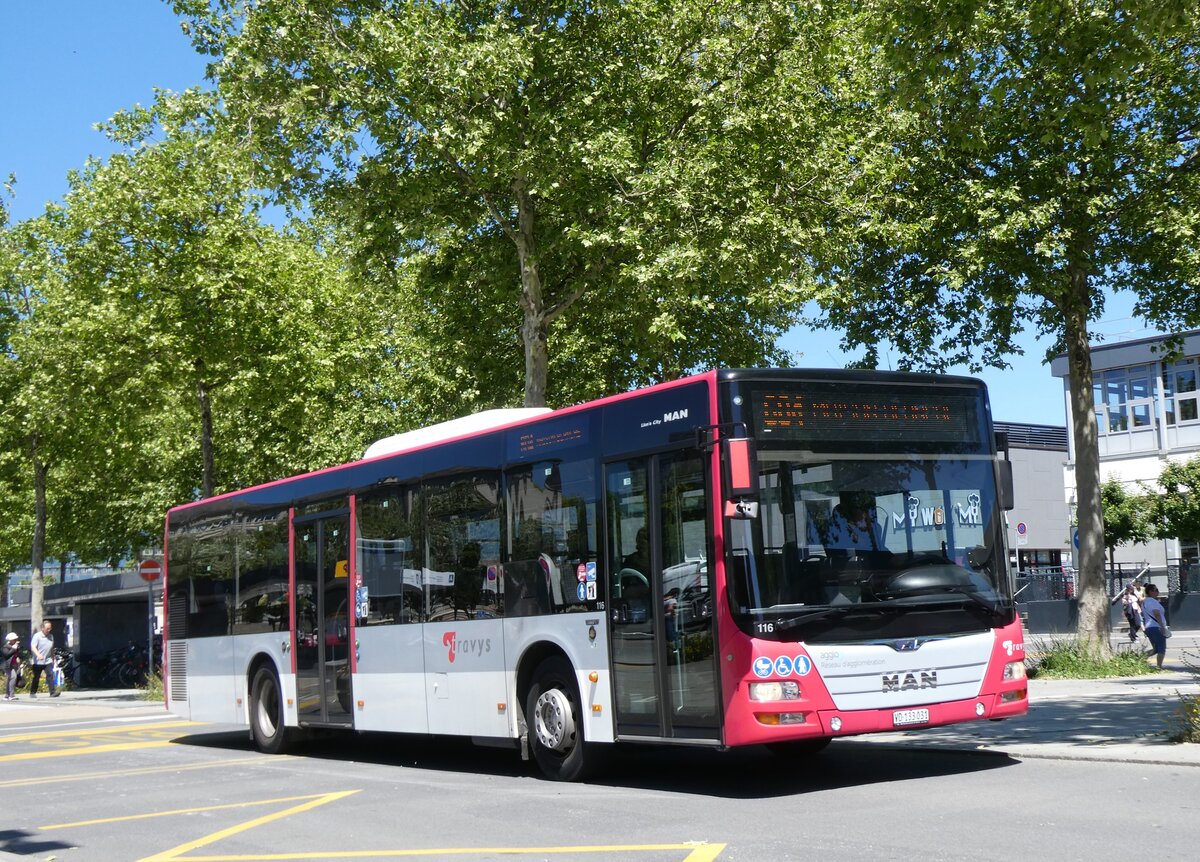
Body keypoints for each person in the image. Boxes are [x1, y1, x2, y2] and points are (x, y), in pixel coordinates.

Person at [28, 620, 60, 698]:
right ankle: (33, 692)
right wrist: (38, 655)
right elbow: (33, 647)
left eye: (50, 628)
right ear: (42, 628)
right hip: (38, 661)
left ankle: (52, 692)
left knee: (50, 675)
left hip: (47, 660)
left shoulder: (51, 636)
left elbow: (51, 648)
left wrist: (53, 657)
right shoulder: (37, 636)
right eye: (47, 628)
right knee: (36, 677)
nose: (49, 630)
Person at [1141, 583, 1168, 669]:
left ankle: (1140, 658)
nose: (1158, 592)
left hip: (1149, 627)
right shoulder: (1153, 602)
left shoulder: (1144, 602)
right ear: (1150, 591)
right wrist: (1162, 627)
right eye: (1156, 590)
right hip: (1156, 627)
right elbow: (1157, 614)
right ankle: (1159, 667)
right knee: (1161, 648)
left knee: (1155, 649)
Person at [3, 632, 20, 701]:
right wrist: (14, 648)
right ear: (10, 640)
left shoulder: (16, 646)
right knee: (13, 677)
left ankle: (7, 695)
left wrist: (18, 659)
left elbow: (17, 655)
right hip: (7, 665)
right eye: (14, 639)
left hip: (14, 664)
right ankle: (11, 695)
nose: (16, 640)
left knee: (10, 678)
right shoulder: (5, 647)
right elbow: (7, 655)